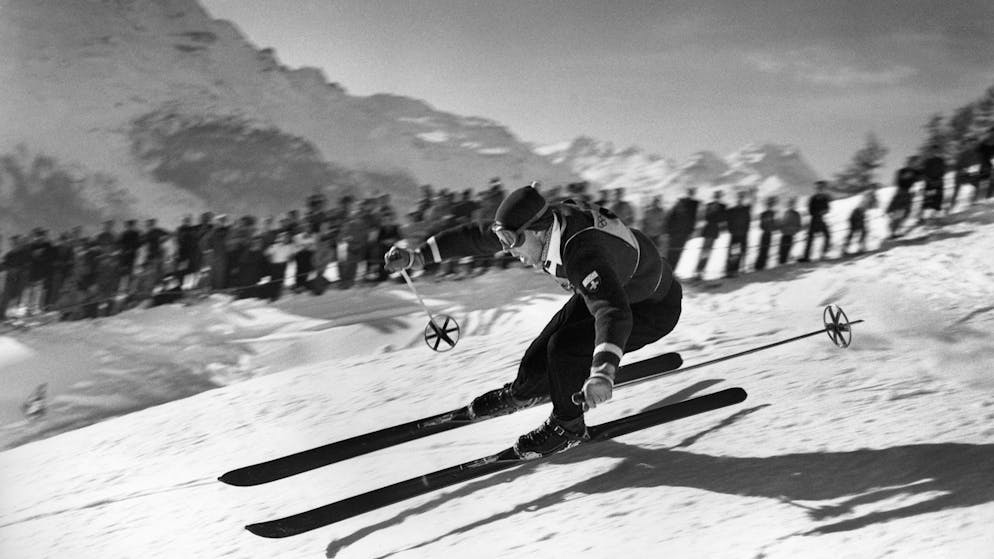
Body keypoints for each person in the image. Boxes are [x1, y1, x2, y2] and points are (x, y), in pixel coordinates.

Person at [384, 184, 682, 459]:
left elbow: (613, 313)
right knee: (539, 355)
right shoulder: (539, 226)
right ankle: (523, 392)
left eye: (512, 242)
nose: (510, 250)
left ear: (539, 232)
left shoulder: (583, 253)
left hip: (650, 307)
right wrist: (418, 257)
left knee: (565, 349)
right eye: (505, 242)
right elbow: (476, 237)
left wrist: (603, 372)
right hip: (612, 286)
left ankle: (568, 427)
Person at [694, 190, 727, 281]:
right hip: (708, 230)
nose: (717, 197)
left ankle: (700, 271)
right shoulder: (709, 205)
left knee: (707, 252)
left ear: (720, 197)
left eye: (718, 195)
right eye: (716, 195)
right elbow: (707, 217)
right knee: (704, 251)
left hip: (714, 231)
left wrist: (717, 212)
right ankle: (698, 270)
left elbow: (722, 218)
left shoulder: (723, 206)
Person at [664, 187, 699, 270]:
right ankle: (667, 270)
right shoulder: (680, 202)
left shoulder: (694, 204)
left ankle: (672, 270)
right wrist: (669, 231)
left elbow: (693, 219)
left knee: (678, 252)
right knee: (671, 251)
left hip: (683, 233)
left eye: (692, 191)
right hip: (675, 233)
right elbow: (669, 218)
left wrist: (690, 231)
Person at [799, 180, 832, 262]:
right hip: (814, 220)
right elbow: (811, 211)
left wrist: (821, 212)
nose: (819, 189)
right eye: (817, 188)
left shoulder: (825, 198)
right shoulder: (813, 199)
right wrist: (821, 212)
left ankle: (823, 254)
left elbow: (828, 209)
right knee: (810, 239)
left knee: (827, 236)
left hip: (820, 219)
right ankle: (806, 257)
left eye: (820, 188)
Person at [754, 196, 779, 271]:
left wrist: (773, 228)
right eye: (769, 204)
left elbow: (774, 224)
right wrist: (768, 228)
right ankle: (758, 266)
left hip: (770, 233)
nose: (770, 206)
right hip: (765, 233)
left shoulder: (773, 213)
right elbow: (761, 225)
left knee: (767, 249)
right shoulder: (764, 214)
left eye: (771, 204)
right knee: (762, 249)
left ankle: (764, 264)